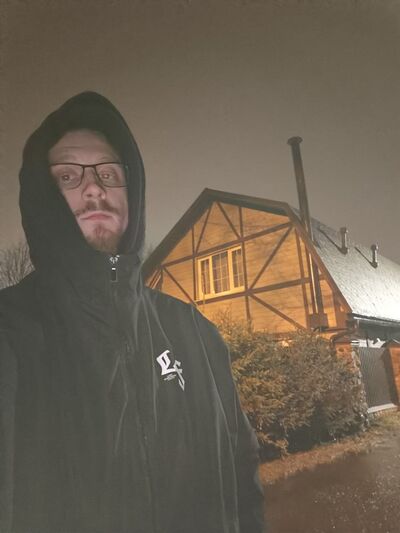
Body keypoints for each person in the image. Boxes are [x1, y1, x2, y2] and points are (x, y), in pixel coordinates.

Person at [0, 92, 266, 533]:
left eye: (108, 173)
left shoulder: (195, 333)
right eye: (68, 176)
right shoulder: (9, 334)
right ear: (42, 198)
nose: (94, 188)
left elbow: (243, 480)